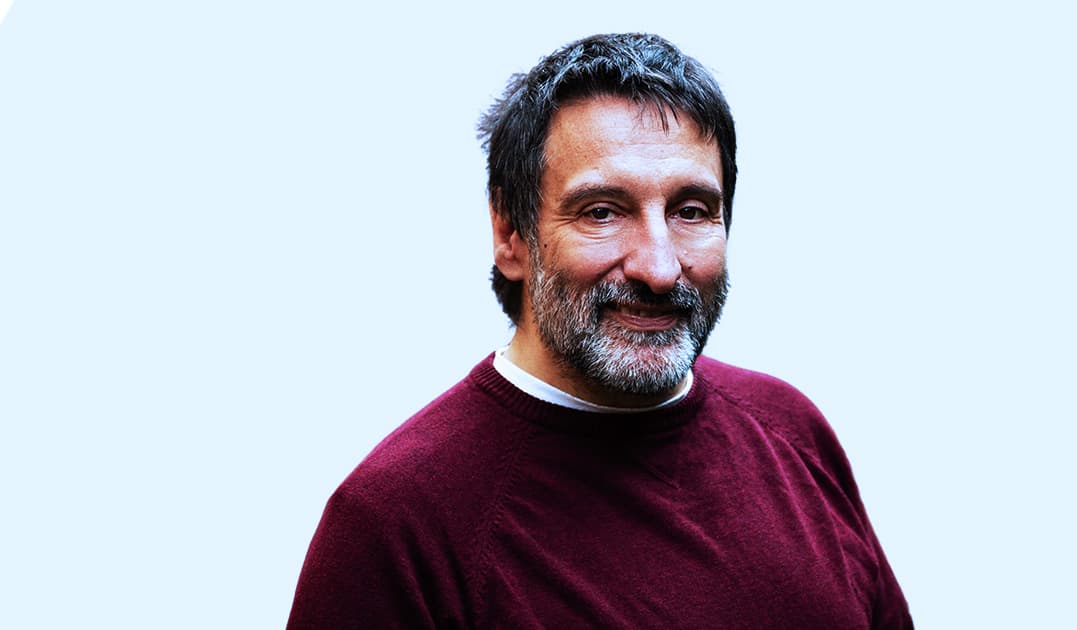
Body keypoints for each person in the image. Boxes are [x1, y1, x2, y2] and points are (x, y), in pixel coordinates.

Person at [287, 33, 912, 629]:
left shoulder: (793, 430)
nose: (661, 268)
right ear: (510, 234)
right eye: (602, 212)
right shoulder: (396, 524)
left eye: (691, 211)